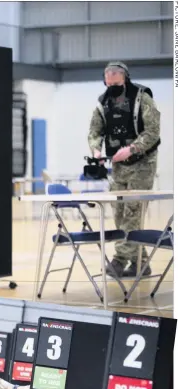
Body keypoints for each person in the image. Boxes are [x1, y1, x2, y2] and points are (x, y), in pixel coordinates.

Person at [88, 61, 161, 278]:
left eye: (116, 84)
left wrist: (132, 149)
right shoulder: (103, 103)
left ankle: (119, 260)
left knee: (133, 212)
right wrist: (96, 151)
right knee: (120, 214)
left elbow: (153, 132)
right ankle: (142, 263)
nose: (112, 88)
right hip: (118, 165)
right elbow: (95, 131)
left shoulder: (142, 98)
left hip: (142, 163)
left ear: (125, 79)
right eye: (108, 84)